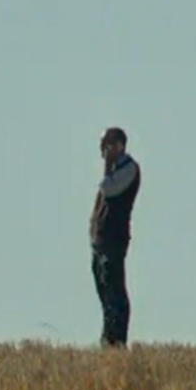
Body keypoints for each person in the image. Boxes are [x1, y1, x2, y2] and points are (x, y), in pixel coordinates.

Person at [89, 126, 141, 347]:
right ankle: (107, 337)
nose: (103, 150)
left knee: (114, 289)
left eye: (107, 145)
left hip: (115, 239)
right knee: (103, 286)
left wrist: (107, 166)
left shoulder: (129, 169)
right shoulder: (113, 172)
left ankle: (117, 339)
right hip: (101, 240)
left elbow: (109, 190)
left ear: (120, 145)